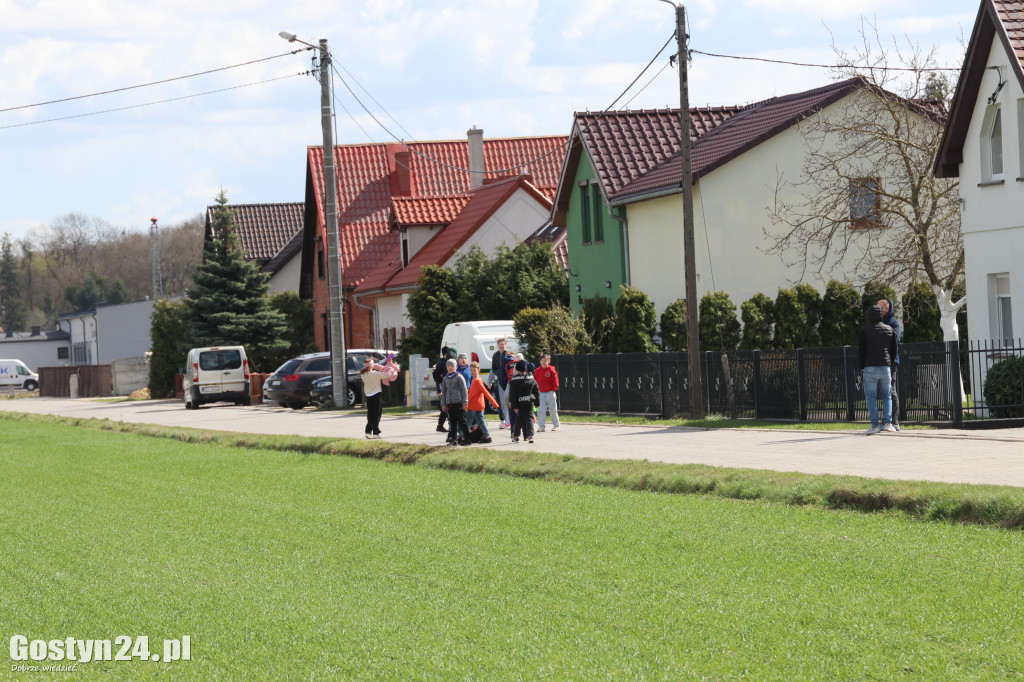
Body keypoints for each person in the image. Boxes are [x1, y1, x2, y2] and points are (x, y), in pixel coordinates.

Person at [858, 305, 898, 435]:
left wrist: (862, 366)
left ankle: (875, 425)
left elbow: (861, 351)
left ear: (869, 316)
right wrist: (889, 363)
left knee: (871, 397)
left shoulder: (865, 331)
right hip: (885, 366)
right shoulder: (889, 329)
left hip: (869, 367)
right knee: (887, 396)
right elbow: (894, 350)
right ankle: (888, 423)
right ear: (881, 316)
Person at [878, 298, 903, 431]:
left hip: (891, 361)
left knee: (891, 390)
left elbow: (893, 339)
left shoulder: (894, 324)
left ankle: (894, 421)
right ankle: (886, 420)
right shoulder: (879, 323)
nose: (878, 310)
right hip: (880, 361)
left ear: (887, 309)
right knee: (883, 391)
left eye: (880, 308)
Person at [360, 356, 398, 439]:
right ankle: (375, 433)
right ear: (371, 366)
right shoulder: (375, 374)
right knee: (377, 414)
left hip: (369, 396)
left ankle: (367, 431)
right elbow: (386, 375)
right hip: (376, 395)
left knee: (370, 414)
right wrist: (390, 365)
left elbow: (377, 370)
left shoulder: (363, 374)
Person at [506, 359, 540, 443]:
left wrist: (514, 406)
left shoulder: (513, 381)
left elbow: (512, 395)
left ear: (516, 370)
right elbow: (536, 391)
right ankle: (530, 436)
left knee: (518, 420)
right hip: (529, 403)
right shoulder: (532, 379)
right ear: (526, 370)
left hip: (518, 404)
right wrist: (537, 403)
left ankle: (516, 436)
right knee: (529, 418)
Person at [466, 360, 499, 444]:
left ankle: (464, 437)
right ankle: (487, 436)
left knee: (468, 421)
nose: (473, 372)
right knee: (481, 421)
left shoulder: (477, 381)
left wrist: (494, 403)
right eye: (471, 370)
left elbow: (485, 392)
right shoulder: (475, 380)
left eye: (475, 370)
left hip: (474, 405)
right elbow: (471, 392)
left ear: (479, 370)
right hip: (479, 405)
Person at [439, 358, 470, 446]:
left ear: (455, 367)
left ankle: (467, 438)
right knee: (452, 422)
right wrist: (443, 403)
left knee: (461, 421)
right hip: (450, 403)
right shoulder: (445, 379)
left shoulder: (459, 377)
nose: (450, 368)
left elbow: (464, 391)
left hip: (459, 402)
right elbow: (444, 392)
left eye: (452, 366)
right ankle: (453, 439)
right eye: (448, 366)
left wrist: (465, 402)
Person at [534, 353, 560, 432]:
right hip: (540, 393)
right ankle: (541, 426)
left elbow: (555, 382)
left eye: (545, 361)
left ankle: (556, 425)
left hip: (549, 393)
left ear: (549, 361)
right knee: (540, 410)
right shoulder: (537, 371)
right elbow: (534, 381)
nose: (543, 362)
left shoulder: (551, 370)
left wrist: (553, 390)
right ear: (540, 361)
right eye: (542, 361)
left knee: (553, 410)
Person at [490, 338, 511, 428]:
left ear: (505, 345)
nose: (501, 345)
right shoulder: (495, 355)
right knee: (502, 401)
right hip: (499, 379)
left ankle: (509, 420)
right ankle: (506, 420)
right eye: (500, 344)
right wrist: (497, 373)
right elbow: (493, 368)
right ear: (497, 345)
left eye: (503, 344)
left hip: (507, 380)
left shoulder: (508, 354)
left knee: (508, 400)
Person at [495, 345, 517, 429]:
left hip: (509, 385)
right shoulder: (517, 362)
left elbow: (500, 377)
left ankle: (508, 422)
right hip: (518, 386)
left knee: (508, 405)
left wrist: (505, 386)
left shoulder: (504, 363)